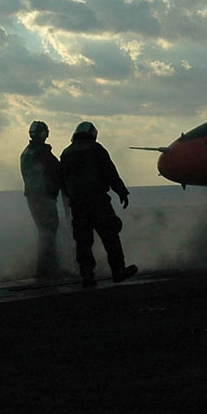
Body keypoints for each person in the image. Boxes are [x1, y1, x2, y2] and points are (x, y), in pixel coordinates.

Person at [59, 121, 137, 288]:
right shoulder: (96, 148)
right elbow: (109, 172)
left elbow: (63, 180)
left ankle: (87, 276)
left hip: (78, 204)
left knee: (83, 242)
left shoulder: (66, 153)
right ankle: (118, 270)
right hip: (98, 201)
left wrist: (71, 200)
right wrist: (122, 192)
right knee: (110, 236)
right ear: (92, 134)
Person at [21, 120, 65, 279]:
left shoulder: (27, 152)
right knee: (49, 231)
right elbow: (56, 172)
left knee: (43, 232)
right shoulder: (42, 153)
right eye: (45, 132)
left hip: (33, 197)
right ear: (42, 134)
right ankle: (48, 270)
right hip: (44, 197)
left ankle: (45, 269)